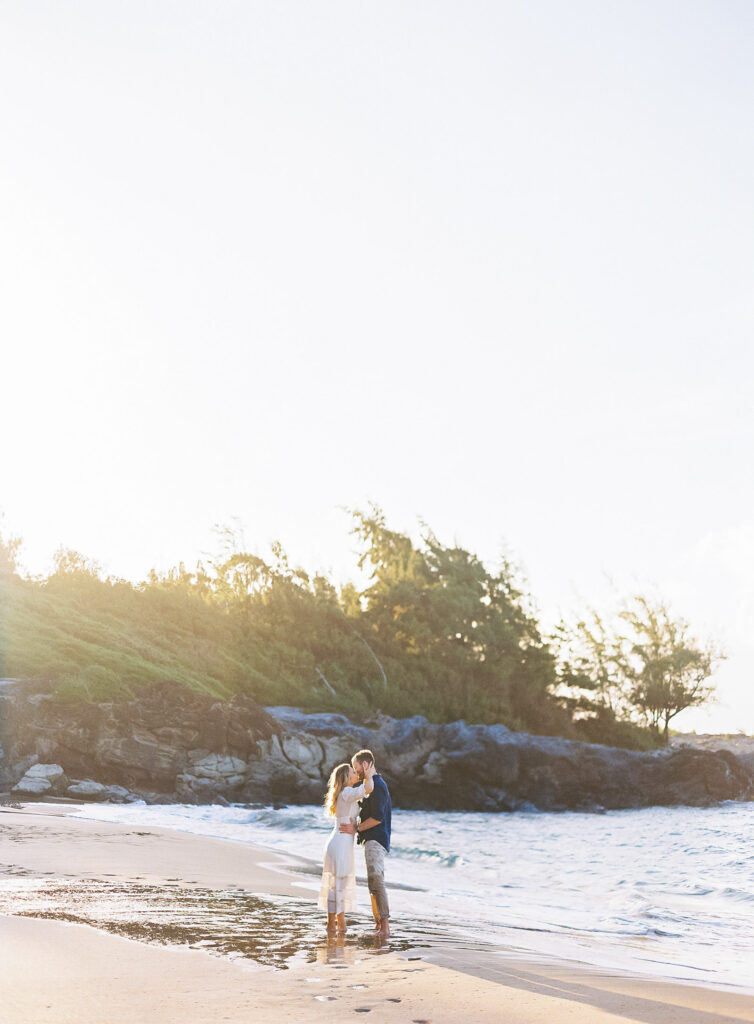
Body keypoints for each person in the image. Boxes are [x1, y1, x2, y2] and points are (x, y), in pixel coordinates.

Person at [339, 749, 392, 937]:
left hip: (376, 838)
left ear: (366, 764)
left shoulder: (378, 785)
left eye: (356, 767)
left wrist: (356, 829)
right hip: (371, 839)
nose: (356, 771)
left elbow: (377, 817)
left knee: (377, 881)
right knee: (372, 883)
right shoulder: (371, 784)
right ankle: (378, 924)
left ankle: (385, 927)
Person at [319, 761, 375, 933]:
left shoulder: (343, 794)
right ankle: (340, 924)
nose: (355, 774)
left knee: (335, 884)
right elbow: (369, 788)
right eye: (352, 772)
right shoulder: (347, 792)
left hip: (337, 841)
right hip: (341, 842)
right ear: (345, 777)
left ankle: (331, 923)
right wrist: (369, 773)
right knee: (340, 883)